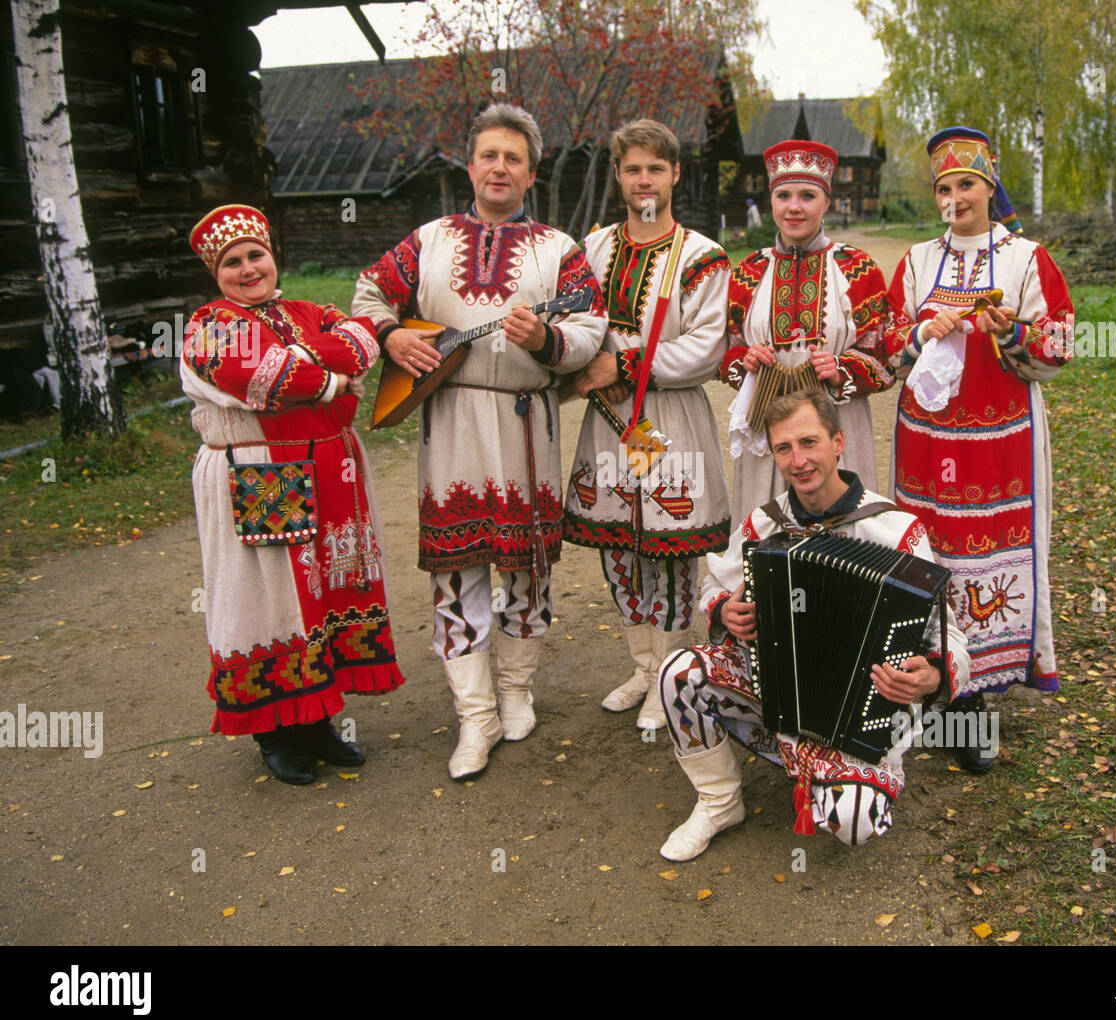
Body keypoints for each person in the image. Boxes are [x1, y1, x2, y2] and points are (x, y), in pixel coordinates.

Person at [351, 104, 607, 781]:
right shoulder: (428, 240)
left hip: (527, 418)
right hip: (451, 419)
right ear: (471, 166)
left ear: (530, 172)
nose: (499, 167)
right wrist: (393, 336)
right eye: (488, 155)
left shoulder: (559, 249)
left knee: (526, 564)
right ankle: (475, 715)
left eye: (513, 158)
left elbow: (591, 326)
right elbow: (369, 293)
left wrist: (546, 340)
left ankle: (517, 690)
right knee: (456, 565)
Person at [655, 388, 969, 861]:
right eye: (784, 448)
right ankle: (719, 802)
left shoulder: (897, 530)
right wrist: (723, 610)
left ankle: (832, 770)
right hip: (773, 692)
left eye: (809, 443)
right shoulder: (765, 524)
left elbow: (950, 636)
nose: (798, 460)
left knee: (855, 823)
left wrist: (935, 675)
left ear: (838, 442)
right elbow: (712, 588)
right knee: (676, 673)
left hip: (860, 711)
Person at [182, 204, 403, 785]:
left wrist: (306, 367)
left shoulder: (310, 310)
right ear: (216, 273)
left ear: (272, 256)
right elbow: (263, 378)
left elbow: (361, 343)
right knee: (269, 597)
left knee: (324, 592)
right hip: (261, 473)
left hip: (331, 468)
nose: (248, 269)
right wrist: (328, 380)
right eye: (233, 263)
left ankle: (318, 719)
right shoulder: (210, 325)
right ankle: (273, 730)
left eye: (256, 254)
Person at [882, 126, 1073, 772]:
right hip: (926, 442)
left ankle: (976, 702)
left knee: (988, 558)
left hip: (1001, 442)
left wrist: (1013, 330)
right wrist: (915, 332)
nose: (955, 195)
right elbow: (883, 349)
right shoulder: (914, 262)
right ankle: (927, 681)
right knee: (928, 554)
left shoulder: (1025, 259)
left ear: (989, 187)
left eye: (966, 183)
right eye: (944, 186)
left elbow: (1060, 345)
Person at [563, 119, 731, 731]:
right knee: (621, 546)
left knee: (670, 546)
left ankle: (673, 673)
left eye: (655, 169)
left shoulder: (703, 255)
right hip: (609, 418)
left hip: (668, 413)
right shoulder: (594, 248)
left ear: (675, 174)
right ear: (618, 175)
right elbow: (579, 323)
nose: (644, 180)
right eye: (632, 168)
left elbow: (707, 350)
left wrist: (625, 362)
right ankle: (640, 667)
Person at [721, 139, 905, 524]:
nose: (794, 207)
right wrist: (746, 360)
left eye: (807, 195)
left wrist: (843, 369)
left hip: (838, 419)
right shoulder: (748, 271)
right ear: (771, 201)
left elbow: (883, 350)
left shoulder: (857, 267)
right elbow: (726, 348)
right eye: (783, 195)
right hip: (768, 420)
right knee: (767, 525)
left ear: (827, 201)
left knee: (843, 531)